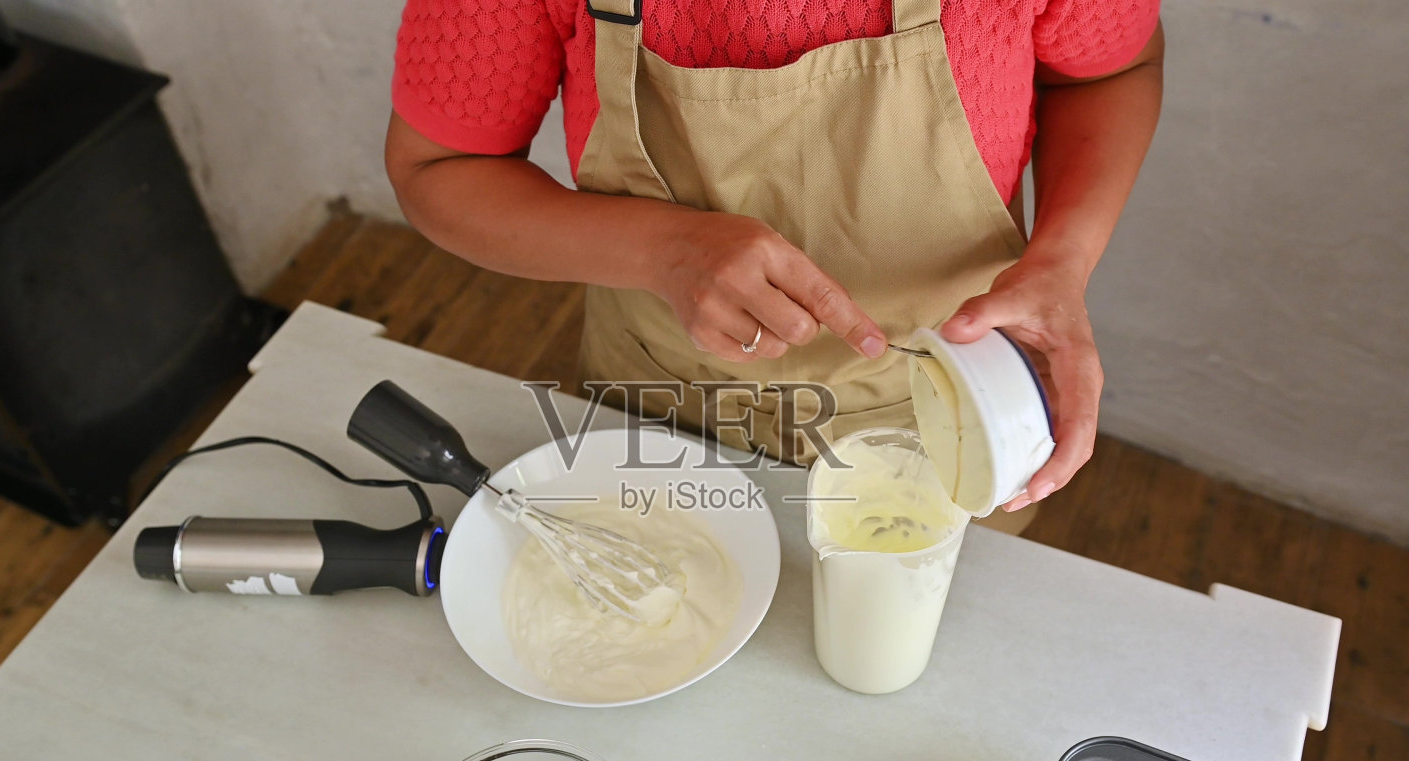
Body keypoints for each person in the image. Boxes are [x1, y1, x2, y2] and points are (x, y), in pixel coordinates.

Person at [385, 0, 1163, 513]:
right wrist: (663, 250)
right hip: (664, 406)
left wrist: (1063, 262)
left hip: (964, 419)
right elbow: (437, 171)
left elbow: (1113, 70)